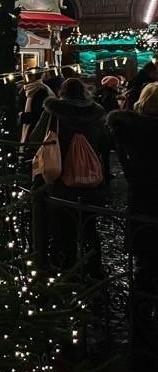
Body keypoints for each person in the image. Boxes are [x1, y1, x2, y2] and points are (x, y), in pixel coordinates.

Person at [29, 77, 110, 276]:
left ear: (62, 93)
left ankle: (65, 270)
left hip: (61, 182)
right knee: (90, 228)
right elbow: (107, 142)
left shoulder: (54, 112)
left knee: (63, 229)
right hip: (91, 181)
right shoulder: (97, 113)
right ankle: (93, 268)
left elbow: (35, 138)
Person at [107, 82, 158, 372]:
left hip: (140, 208)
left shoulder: (127, 132)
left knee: (144, 272)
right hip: (150, 209)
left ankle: (140, 333)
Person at [19, 68, 53, 146]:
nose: (25, 79)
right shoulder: (28, 90)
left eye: (28, 76)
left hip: (36, 128)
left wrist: (22, 116)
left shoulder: (41, 91)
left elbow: (38, 113)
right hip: (29, 125)